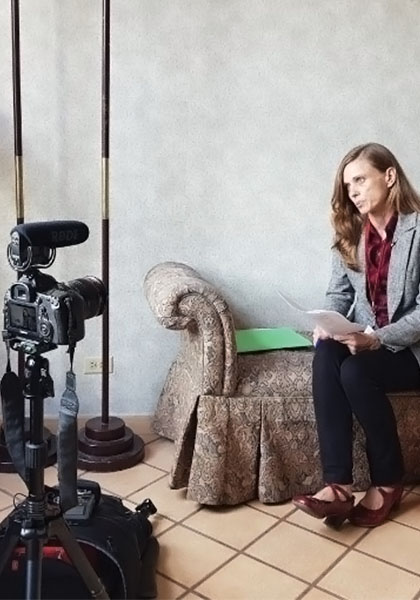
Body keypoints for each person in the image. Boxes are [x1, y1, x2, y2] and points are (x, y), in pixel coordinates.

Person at [292, 142, 420, 528]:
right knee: (328, 354)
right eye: (348, 186)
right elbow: (339, 293)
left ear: (390, 176)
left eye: (361, 180)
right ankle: (338, 486)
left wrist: (377, 339)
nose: (354, 192)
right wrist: (326, 322)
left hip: (411, 349)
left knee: (356, 372)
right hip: (367, 339)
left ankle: (388, 480)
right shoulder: (351, 233)